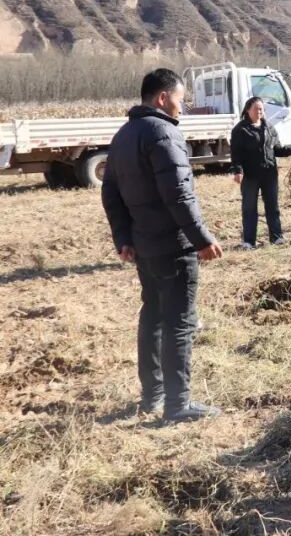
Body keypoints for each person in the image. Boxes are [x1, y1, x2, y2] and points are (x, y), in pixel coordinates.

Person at [101, 68, 223, 422]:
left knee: (152, 316)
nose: (182, 108)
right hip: (173, 246)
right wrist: (202, 239)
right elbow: (179, 195)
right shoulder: (164, 132)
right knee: (179, 322)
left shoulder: (123, 135)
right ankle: (177, 403)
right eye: (180, 100)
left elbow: (110, 193)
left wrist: (124, 238)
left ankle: (152, 395)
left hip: (145, 246)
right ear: (163, 98)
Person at [230, 96, 291, 248]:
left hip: (269, 174)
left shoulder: (269, 127)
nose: (259, 112)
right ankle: (249, 241)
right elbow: (236, 154)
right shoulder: (240, 130)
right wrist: (237, 171)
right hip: (250, 175)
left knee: (272, 207)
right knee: (249, 208)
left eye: (261, 109)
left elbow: (277, 149)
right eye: (256, 109)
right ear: (248, 110)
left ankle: (276, 237)